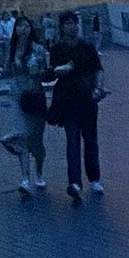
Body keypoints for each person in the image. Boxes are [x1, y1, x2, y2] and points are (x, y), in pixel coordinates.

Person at [49, 10, 105, 201]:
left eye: (74, 23)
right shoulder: (57, 49)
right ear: (62, 27)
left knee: (91, 140)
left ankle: (95, 178)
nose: (72, 26)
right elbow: (52, 72)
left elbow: (98, 69)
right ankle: (74, 183)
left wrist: (98, 88)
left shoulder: (87, 47)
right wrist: (59, 71)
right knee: (72, 141)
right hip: (67, 100)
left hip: (87, 98)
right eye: (68, 24)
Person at [0, 15, 48, 195]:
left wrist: (38, 71)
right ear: (16, 30)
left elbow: (45, 74)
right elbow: (6, 70)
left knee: (37, 141)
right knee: (23, 137)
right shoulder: (11, 49)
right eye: (20, 26)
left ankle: (39, 172)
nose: (23, 29)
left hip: (35, 95)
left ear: (30, 28)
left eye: (26, 26)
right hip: (17, 96)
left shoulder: (39, 50)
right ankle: (25, 178)